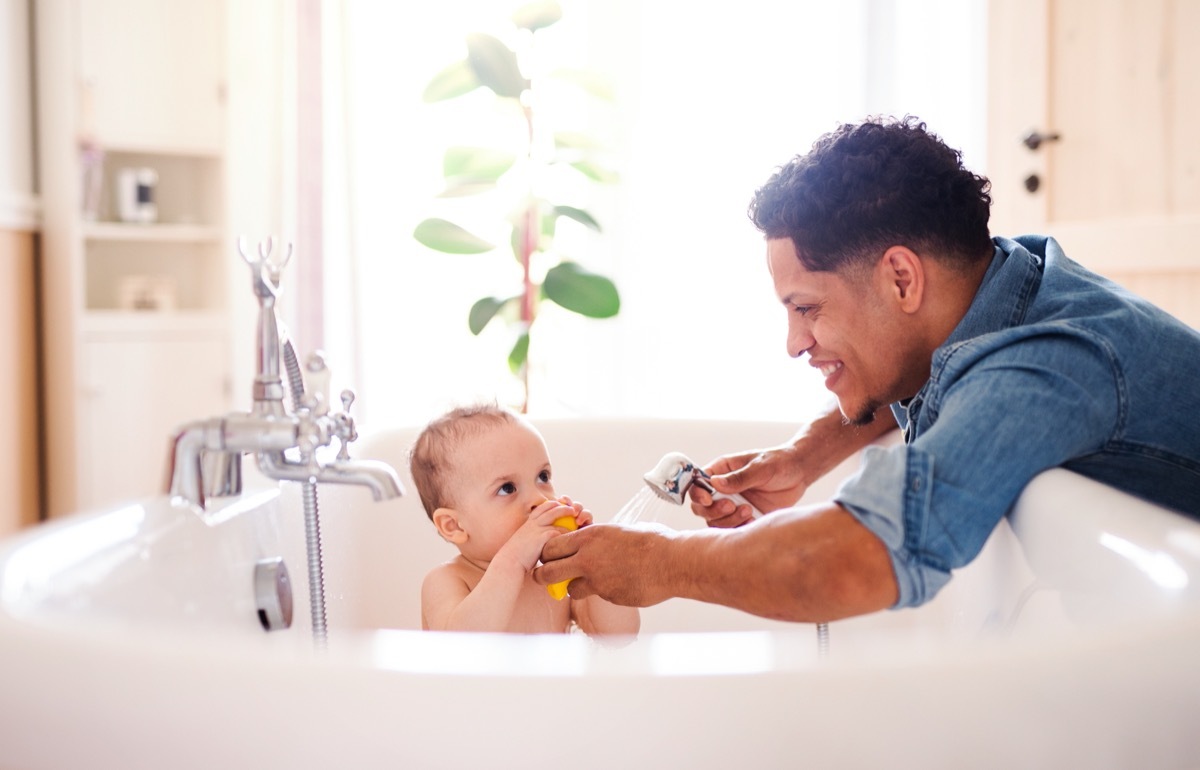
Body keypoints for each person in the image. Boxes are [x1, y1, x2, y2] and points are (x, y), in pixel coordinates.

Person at [534, 115, 1200, 622]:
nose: (794, 343)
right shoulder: (1005, 283)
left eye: (807, 308)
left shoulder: (1049, 363)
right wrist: (803, 456)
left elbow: (854, 562)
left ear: (902, 279)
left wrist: (654, 562)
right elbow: (923, 363)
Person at [411, 403, 639, 637]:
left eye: (543, 477)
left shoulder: (554, 575)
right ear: (455, 525)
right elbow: (461, 648)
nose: (539, 498)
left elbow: (619, 635)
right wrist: (513, 560)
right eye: (507, 488)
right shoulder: (446, 581)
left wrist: (592, 563)